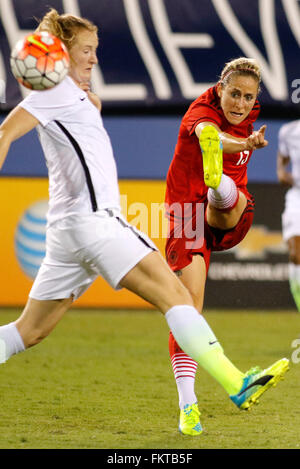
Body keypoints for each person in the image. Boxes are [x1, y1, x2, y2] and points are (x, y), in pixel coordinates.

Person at [0, 10, 288, 435]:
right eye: (87, 51)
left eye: (95, 51)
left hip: (66, 233)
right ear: (58, 55)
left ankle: (222, 192)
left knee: (29, 331)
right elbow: (5, 133)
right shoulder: (53, 93)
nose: (94, 59)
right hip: (98, 223)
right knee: (177, 297)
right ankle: (234, 382)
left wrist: (85, 97)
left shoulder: (74, 96)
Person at [165, 57, 289, 436]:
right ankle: (189, 408)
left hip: (230, 214)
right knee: (189, 309)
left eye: (248, 97)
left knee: (229, 200)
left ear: (256, 99)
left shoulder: (249, 116)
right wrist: (244, 143)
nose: (239, 103)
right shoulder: (201, 110)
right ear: (219, 90)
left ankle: (219, 186)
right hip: (186, 213)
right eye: (233, 94)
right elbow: (208, 132)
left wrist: (245, 139)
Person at [277, 120, 300, 312]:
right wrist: (281, 171)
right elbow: (283, 157)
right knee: (295, 254)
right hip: (297, 197)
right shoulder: (288, 131)